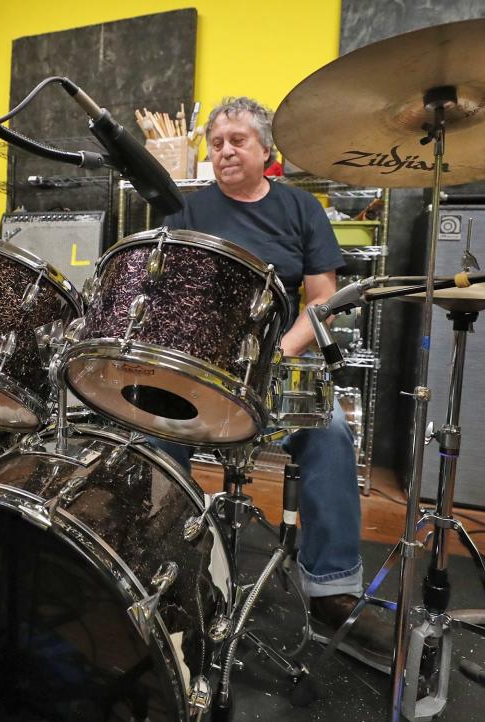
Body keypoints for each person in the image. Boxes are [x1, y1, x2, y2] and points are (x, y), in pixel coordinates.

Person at [158, 96, 364, 629]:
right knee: (154, 434)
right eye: (217, 143)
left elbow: (323, 297)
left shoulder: (301, 209)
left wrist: (282, 353)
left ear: (265, 148)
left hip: (273, 367)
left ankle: (330, 581)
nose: (225, 151)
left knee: (332, 432)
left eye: (237, 141)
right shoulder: (187, 209)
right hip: (197, 366)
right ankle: (172, 564)